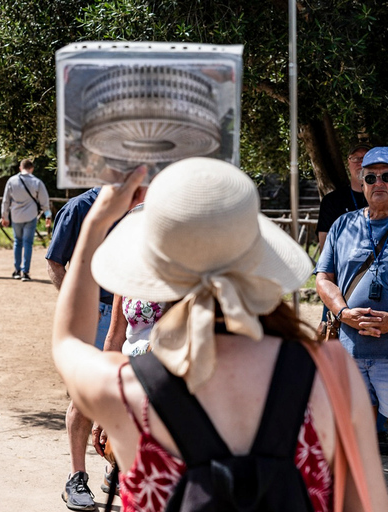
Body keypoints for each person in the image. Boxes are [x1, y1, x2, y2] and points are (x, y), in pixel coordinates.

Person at [53, 158, 388, 511]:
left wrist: (97, 221)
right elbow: (368, 504)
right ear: (256, 255)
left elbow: (68, 343)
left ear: (157, 265)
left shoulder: (124, 388)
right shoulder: (332, 372)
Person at [45, 187, 123, 510]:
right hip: (98, 313)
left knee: (125, 396)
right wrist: (78, 305)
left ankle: (115, 471)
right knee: (86, 397)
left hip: (134, 313)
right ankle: (76, 478)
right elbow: (54, 261)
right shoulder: (79, 207)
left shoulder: (142, 207)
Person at [317, 146, 388, 439]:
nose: (379, 183)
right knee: (356, 438)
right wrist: (343, 313)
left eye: (387, 176)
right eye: (370, 178)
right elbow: (323, 278)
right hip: (350, 351)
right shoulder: (342, 225)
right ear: (361, 182)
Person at [1, 159, 51, 281]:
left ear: (20, 168)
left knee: (17, 242)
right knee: (28, 243)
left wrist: (4, 216)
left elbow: (6, 200)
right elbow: (45, 202)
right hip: (31, 216)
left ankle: (17, 270)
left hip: (16, 216)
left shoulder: (11, 181)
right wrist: (48, 216)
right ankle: (25, 272)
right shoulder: (37, 182)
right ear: (32, 168)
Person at [316, 142, 372, 249]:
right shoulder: (331, 201)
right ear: (348, 164)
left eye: (365, 158)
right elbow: (325, 247)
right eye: (355, 158)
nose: (361, 163)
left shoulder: (383, 197)